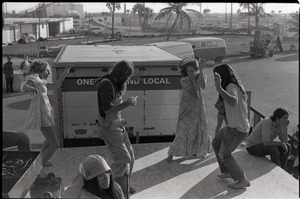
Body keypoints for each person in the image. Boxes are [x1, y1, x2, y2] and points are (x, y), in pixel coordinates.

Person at [96, 60, 139, 195]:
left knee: (131, 157)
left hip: (117, 125)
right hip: (110, 128)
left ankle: (125, 186)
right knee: (123, 160)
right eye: (128, 77)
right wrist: (128, 103)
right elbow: (108, 110)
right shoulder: (106, 85)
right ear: (123, 75)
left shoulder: (114, 82)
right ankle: (101, 184)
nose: (128, 80)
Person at [20, 60, 72, 167]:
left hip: (45, 113)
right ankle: (40, 163)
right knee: (55, 144)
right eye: (47, 71)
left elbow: (56, 85)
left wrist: (66, 72)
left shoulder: (40, 80)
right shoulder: (34, 77)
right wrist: (32, 88)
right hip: (41, 114)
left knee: (49, 140)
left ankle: (40, 160)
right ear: (41, 70)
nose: (49, 73)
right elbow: (24, 86)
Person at [212, 63, 251, 189]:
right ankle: (228, 171)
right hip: (233, 127)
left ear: (222, 76)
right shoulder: (234, 86)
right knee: (216, 143)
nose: (215, 80)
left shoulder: (230, 87)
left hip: (237, 129)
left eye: (216, 77)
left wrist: (220, 88)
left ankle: (242, 179)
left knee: (225, 154)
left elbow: (233, 101)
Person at [167, 57, 211, 162]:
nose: (189, 73)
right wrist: (192, 80)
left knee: (199, 130)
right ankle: (171, 154)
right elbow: (195, 94)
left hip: (199, 109)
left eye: (192, 71)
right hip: (187, 110)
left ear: (196, 70)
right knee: (183, 132)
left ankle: (198, 151)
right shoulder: (184, 80)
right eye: (187, 71)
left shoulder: (201, 75)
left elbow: (203, 86)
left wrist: (202, 71)